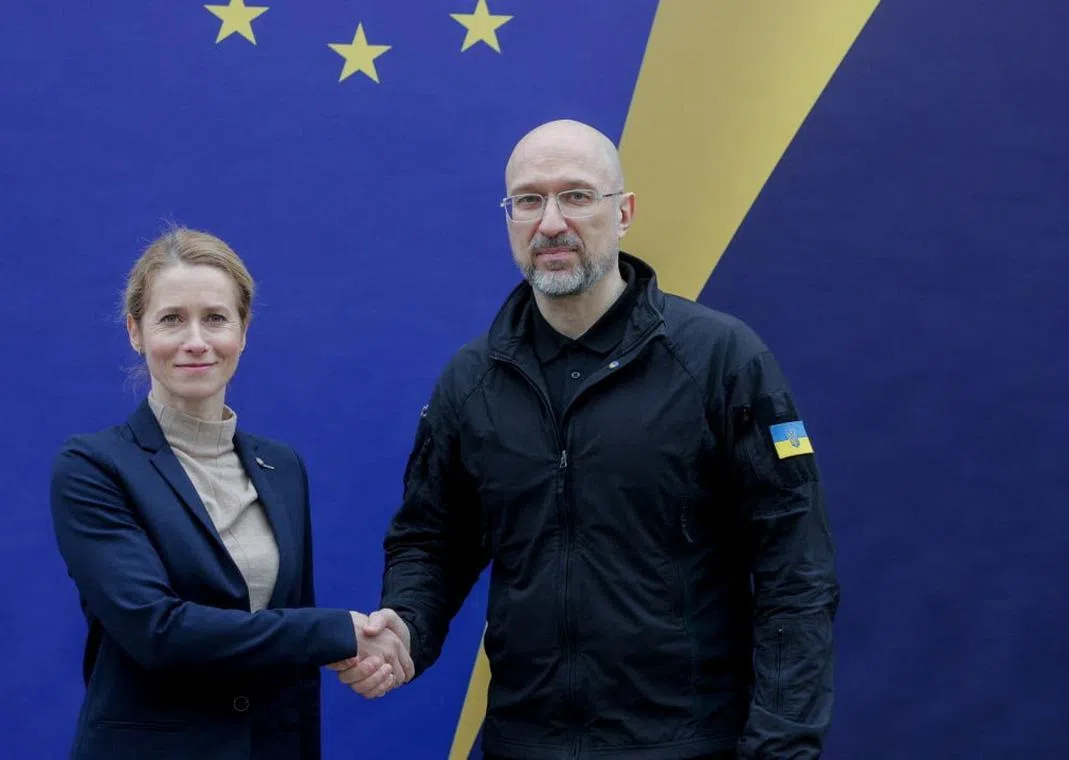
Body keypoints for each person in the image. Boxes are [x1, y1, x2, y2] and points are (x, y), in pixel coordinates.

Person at [337, 120, 841, 758]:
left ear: (623, 212)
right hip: (523, 742)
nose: (550, 223)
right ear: (510, 218)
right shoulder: (473, 380)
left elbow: (795, 571)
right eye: (529, 200)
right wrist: (404, 628)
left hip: (686, 746)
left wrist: (780, 747)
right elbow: (430, 540)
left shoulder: (722, 360)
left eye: (576, 196)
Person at [49, 228, 412, 760]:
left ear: (243, 332)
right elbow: (159, 632)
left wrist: (356, 654)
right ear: (135, 331)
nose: (196, 340)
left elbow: (284, 650)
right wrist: (338, 633)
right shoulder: (93, 468)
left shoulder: (281, 468)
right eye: (172, 319)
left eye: (215, 318)